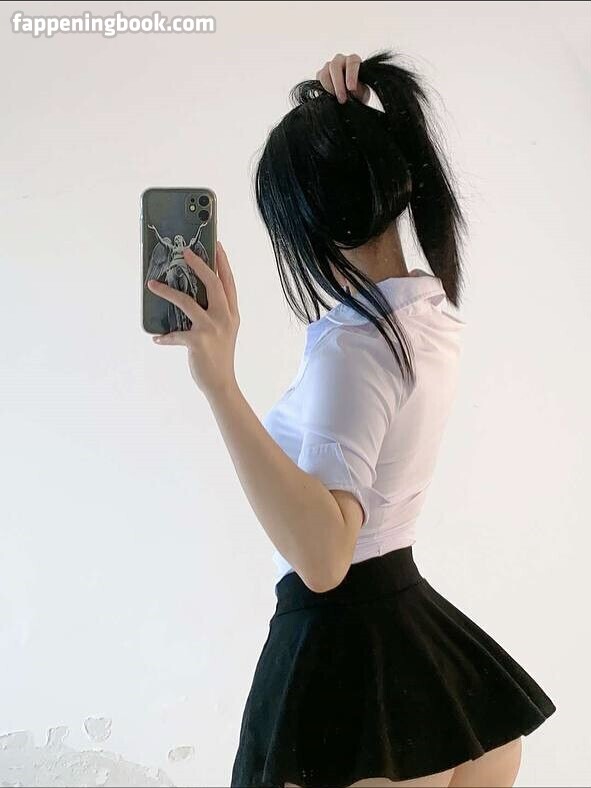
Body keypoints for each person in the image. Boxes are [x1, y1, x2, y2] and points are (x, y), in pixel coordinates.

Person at [147, 50, 556, 788]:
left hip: (342, 658)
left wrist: (219, 384)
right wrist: (356, 126)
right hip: (420, 647)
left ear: (303, 222)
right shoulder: (427, 309)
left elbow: (325, 557)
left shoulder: (356, 345)